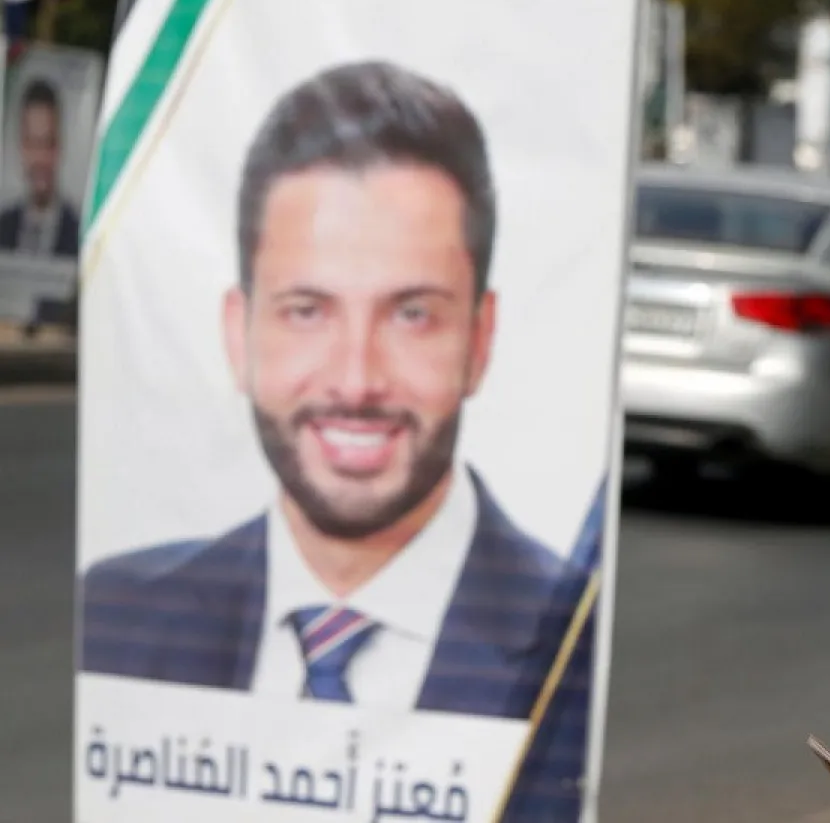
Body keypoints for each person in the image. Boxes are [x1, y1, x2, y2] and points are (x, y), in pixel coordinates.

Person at [79, 60, 592, 725]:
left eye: (412, 313)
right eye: (307, 310)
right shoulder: (123, 616)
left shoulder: (576, 646)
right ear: (239, 334)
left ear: (480, 339)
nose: (356, 380)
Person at [0, 78, 80, 258]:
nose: (41, 158)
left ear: (59, 147)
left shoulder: (80, 234)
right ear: (21, 147)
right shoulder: (2, 227)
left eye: (48, 144)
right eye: (33, 144)